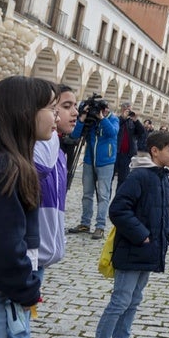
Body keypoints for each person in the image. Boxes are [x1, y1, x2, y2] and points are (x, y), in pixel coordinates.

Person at [81, 130, 169, 338]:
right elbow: (119, 209)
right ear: (155, 151)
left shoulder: (163, 179)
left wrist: (167, 233)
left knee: (133, 301)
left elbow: (163, 213)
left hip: (148, 251)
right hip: (133, 249)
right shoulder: (139, 177)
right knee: (119, 302)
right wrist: (142, 235)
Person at [5, 84, 78, 338]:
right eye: (64, 106)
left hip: (41, 255)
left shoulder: (57, 148)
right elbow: (42, 169)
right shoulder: (40, 150)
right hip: (26, 257)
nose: (75, 112)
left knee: (18, 336)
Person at [0, 76, 56, 338]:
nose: (54, 116)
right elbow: (2, 245)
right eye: (51, 108)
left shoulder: (12, 161)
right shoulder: (3, 166)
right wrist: (27, 288)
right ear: (25, 111)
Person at [68, 97, 120, 240]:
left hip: (106, 161)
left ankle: (100, 226)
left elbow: (112, 133)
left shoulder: (113, 119)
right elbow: (75, 134)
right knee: (87, 194)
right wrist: (83, 117)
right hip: (89, 160)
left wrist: (102, 118)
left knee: (103, 195)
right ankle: (85, 223)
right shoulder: (90, 120)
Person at [114, 102, 145, 189]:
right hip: (115, 153)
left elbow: (142, 132)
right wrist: (123, 118)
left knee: (123, 179)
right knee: (110, 177)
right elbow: (115, 128)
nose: (128, 111)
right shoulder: (116, 119)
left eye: (129, 109)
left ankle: (118, 198)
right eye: (126, 109)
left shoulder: (132, 122)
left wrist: (136, 120)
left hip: (126, 155)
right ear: (122, 109)